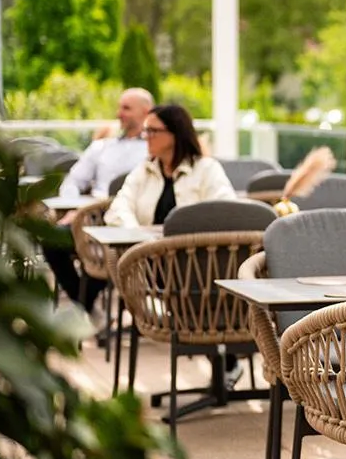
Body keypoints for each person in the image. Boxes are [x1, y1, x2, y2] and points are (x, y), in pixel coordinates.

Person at [42, 87, 152, 317]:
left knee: (108, 256)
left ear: (146, 111)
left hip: (136, 225)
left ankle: (87, 309)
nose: (119, 113)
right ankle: (89, 309)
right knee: (51, 240)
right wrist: (75, 210)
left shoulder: (155, 148)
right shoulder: (102, 147)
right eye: (119, 107)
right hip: (90, 223)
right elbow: (73, 181)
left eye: (126, 108)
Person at [105, 103, 235, 227]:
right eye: (146, 130)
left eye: (152, 131)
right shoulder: (144, 170)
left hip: (194, 248)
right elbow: (118, 208)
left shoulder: (207, 169)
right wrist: (135, 234)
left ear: (176, 134)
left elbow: (226, 211)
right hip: (145, 248)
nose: (146, 137)